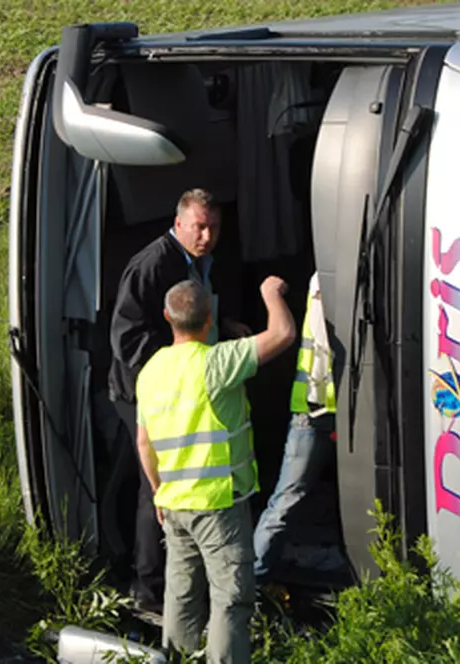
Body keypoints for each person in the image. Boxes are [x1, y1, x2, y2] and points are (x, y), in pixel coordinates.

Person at [134, 277, 296, 663]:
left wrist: (158, 492)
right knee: (231, 599)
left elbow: (144, 443)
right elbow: (283, 333)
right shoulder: (216, 362)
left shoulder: (150, 372)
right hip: (218, 504)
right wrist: (270, 293)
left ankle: (178, 659)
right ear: (209, 319)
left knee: (182, 598)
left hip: (174, 505)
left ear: (167, 317)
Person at [108, 188, 250, 613]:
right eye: (199, 227)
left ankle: (165, 578)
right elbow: (126, 337)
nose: (207, 236)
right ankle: (148, 590)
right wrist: (174, 372)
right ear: (179, 223)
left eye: (214, 228)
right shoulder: (153, 265)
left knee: (153, 482)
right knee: (156, 488)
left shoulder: (204, 261)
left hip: (179, 387)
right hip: (147, 391)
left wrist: (226, 324)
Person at [252, 272, 341, 584]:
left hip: (325, 407)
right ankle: (254, 579)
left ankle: (255, 578)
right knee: (287, 499)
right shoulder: (323, 280)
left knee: (290, 498)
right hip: (315, 408)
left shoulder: (334, 276)